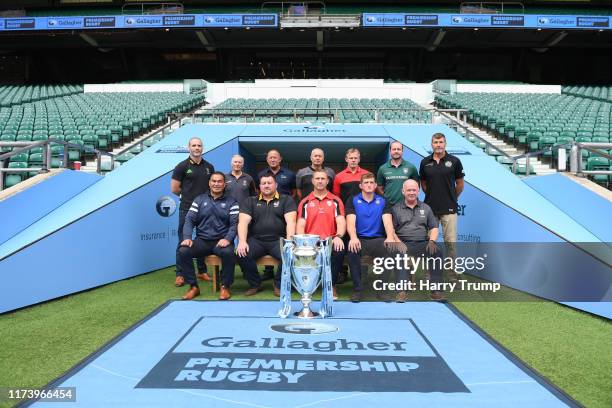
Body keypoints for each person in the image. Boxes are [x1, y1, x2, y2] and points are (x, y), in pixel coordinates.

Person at [177, 172, 239, 301]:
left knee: (229, 253)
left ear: (224, 184)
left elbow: (234, 224)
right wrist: (187, 237)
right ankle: (193, 287)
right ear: (209, 183)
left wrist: (227, 239)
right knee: (183, 251)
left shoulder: (232, 202)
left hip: (221, 241)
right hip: (202, 241)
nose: (216, 184)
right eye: (214, 181)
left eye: (219, 181)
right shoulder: (199, 200)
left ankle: (225, 287)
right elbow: (189, 220)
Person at [236, 173, 297, 296]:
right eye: (263, 183)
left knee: (288, 254)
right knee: (242, 253)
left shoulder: (286, 199)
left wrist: (289, 242)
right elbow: (242, 222)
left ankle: (279, 285)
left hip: (278, 240)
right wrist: (242, 241)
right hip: (256, 240)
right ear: (259, 186)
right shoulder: (250, 201)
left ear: (276, 185)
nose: (266, 186)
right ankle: (255, 284)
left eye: (269, 183)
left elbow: (291, 222)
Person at [419, 133, 465, 282]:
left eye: (441, 142)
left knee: (450, 244)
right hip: (430, 209)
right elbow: (424, 185)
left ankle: (452, 276)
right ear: (431, 144)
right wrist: (433, 196)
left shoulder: (455, 161)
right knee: (430, 243)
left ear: (445, 143)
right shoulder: (425, 162)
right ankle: (430, 274)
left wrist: (451, 198)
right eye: (435, 142)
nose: (438, 145)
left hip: (449, 209)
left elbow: (460, 184)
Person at [345, 172, 397, 302]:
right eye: (366, 183)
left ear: (375, 186)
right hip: (360, 239)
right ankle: (357, 290)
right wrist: (353, 237)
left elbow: (387, 221)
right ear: (361, 185)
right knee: (352, 250)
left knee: (390, 250)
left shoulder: (383, 201)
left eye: (371, 183)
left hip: (378, 239)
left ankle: (382, 290)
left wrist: (390, 237)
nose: (369, 185)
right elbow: (350, 221)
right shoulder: (353, 199)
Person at [171, 137, 215, 287]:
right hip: (187, 209)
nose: (197, 148)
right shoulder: (181, 166)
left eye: (199, 145)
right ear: (189, 147)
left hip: (205, 209)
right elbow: (175, 189)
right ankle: (180, 274)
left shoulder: (209, 167)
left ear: (202, 148)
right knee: (183, 240)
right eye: (194, 145)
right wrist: (188, 197)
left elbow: (212, 188)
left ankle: (202, 271)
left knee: (202, 240)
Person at [390, 179, 444, 302]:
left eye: (414, 190)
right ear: (403, 191)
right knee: (400, 255)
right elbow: (391, 230)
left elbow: (434, 227)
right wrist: (398, 243)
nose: (411, 192)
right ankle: (402, 291)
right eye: (409, 190)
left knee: (437, 251)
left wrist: (432, 241)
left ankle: (436, 290)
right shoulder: (396, 209)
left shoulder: (426, 208)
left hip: (423, 243)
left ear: (418, 191)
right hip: (403, 243)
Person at [297, 169, 346, 300]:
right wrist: (303, 243)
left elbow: (341, 221)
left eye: (322, 179)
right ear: (312, 181)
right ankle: (308, 287)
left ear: (327, 181)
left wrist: (338, 237)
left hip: (330, 240)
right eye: (317, 178)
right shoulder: (305, 202)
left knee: (339, 251)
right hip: (311, 242)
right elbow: (301, 224)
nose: (320, 181)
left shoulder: (336, 200)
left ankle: (332, 285)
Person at [257, 149, 296, 281]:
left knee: (281, 237)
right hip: (266, 207)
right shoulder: (261, 174)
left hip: (284, 208)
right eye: (270, 158)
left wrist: (284, 203)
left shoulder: (289, 174)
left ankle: (280, 279)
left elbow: (295, 191)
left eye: (275, 158)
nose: (273, 160)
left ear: (280, 159)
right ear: (267, 159)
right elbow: (259, 191)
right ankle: (268, 271)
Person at [376, 141, 419, 205]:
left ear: (402, 151)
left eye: (398, 149)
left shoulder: (411, 167)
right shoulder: (382, 168)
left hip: (406, 205)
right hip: (389, 205)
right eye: (394, 149)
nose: (396, 151)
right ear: (390, 151)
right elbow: (379, 187)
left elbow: (417, 185)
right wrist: (386, 198)